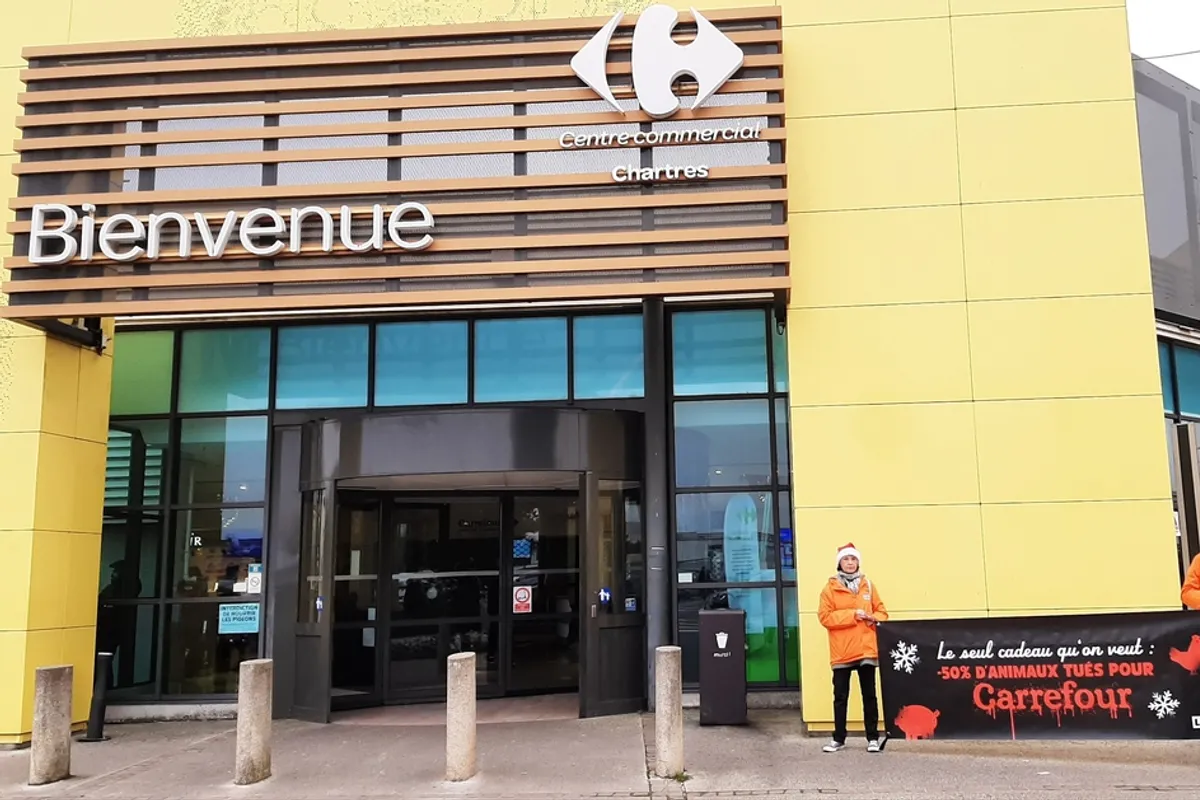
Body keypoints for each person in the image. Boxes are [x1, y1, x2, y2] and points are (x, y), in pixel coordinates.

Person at [818, 542, 888, 753]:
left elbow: (883, 612)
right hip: (842, 651)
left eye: (853, 559)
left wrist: (871, 617)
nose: (850, 563)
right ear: (839, 563)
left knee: (870, 695)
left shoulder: (869, 585)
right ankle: (838, 738)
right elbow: (825, 617)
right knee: (840, 697)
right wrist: (852, 615)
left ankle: (872, 738)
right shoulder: (829, 588)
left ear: (858, 562)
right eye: (846, 559)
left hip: (866, 649)